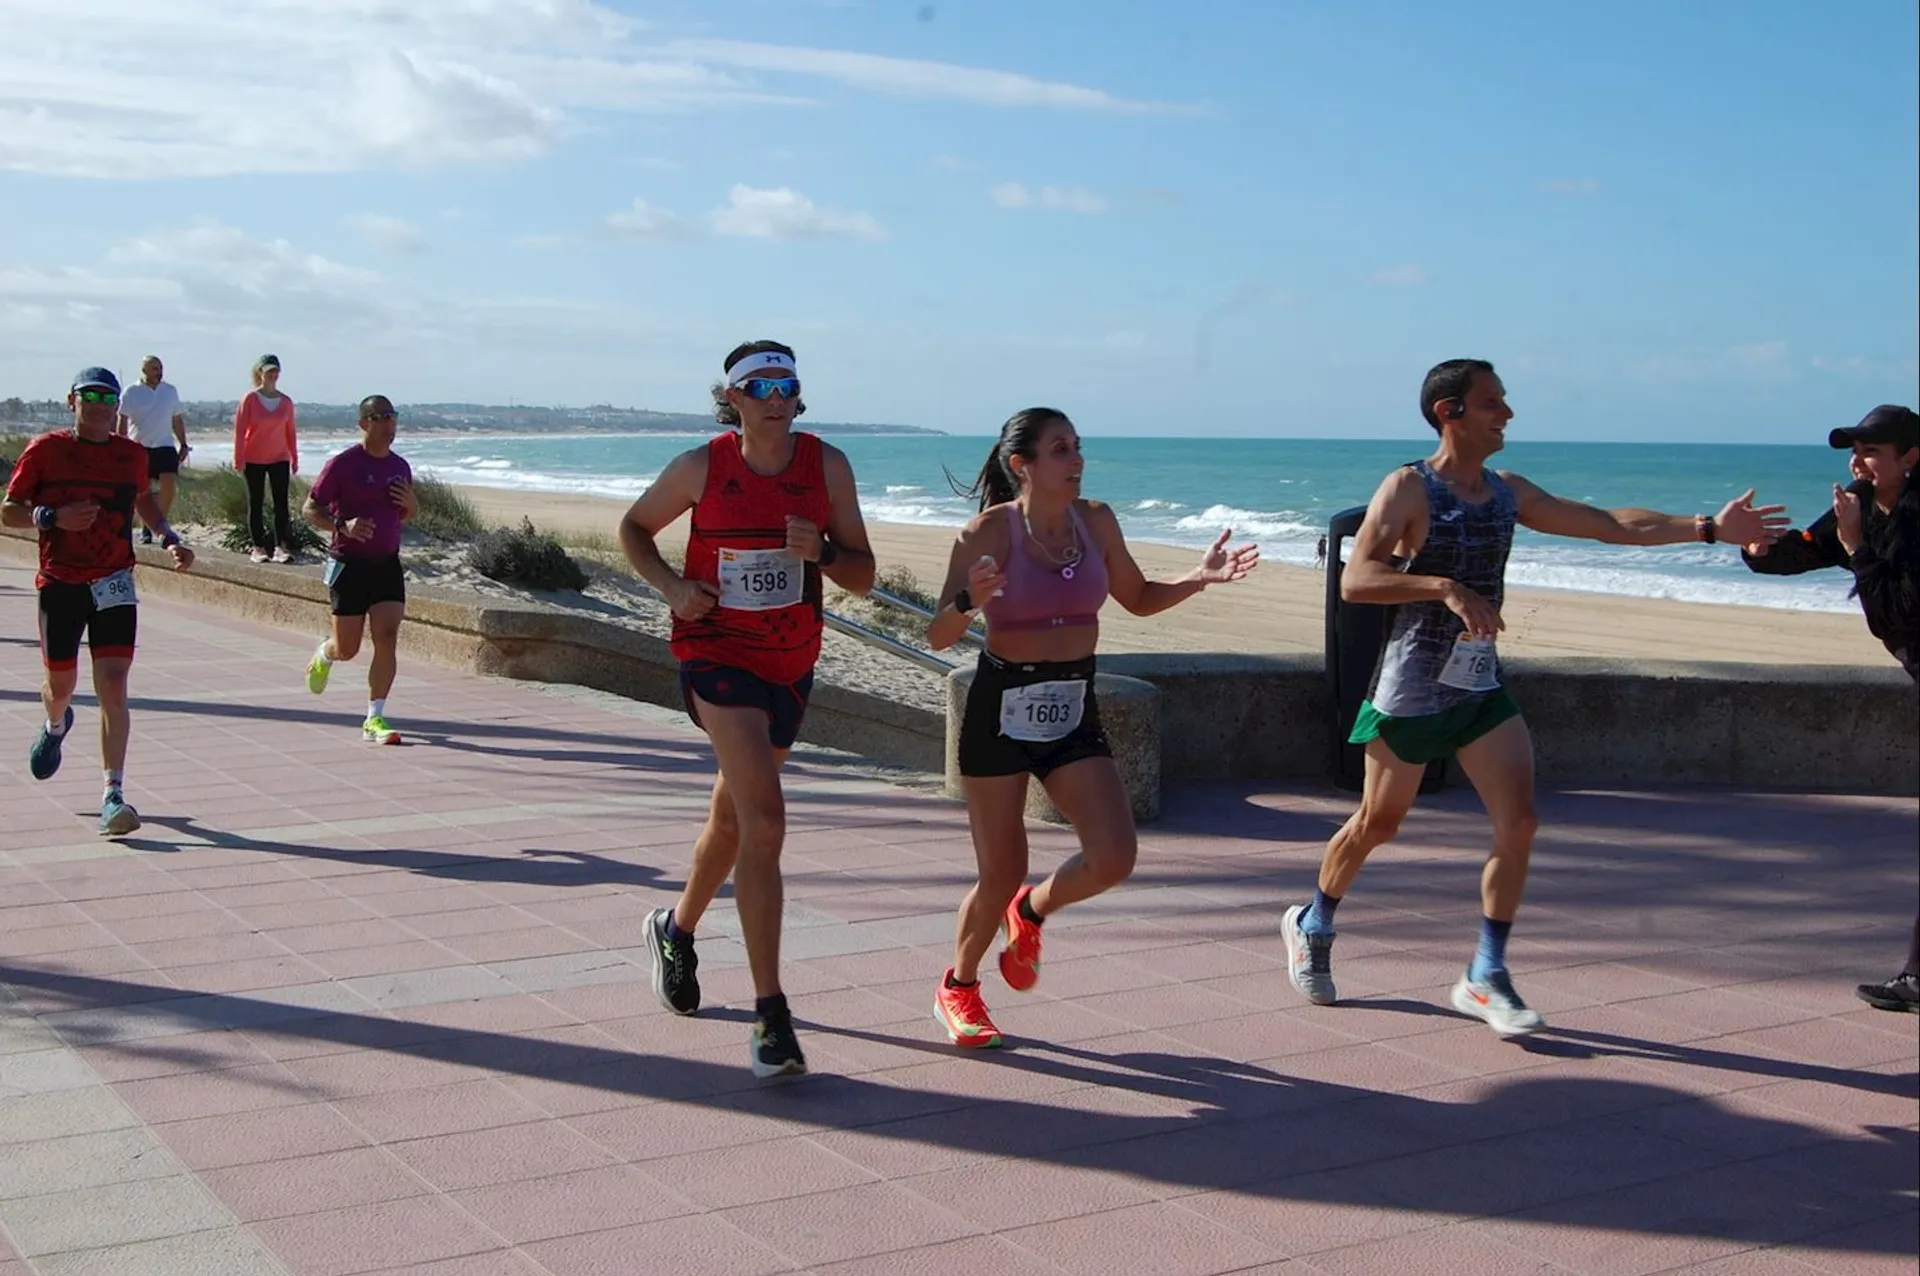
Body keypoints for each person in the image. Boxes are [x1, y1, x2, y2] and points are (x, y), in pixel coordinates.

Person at [1281, 358, 1789, 1037]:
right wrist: (1445, 588)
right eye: (1493, 402)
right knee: (1378, 824)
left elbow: (1609, 523)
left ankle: (1484, 975)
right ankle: (1313, 920)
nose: (1508, 413)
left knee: (1519, 823)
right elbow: (1358, 579)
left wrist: (1707, 528)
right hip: (1409, 690)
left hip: (1478, 683)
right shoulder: (1408, 487)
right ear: (1448, 413)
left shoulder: (1506, 490)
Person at [924, 409, 1259, 1048]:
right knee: (1000, 868)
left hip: (1073, 699)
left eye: (1077, 447)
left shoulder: (1097, 521)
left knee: (1113, 856)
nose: (1076, 460)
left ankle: (1032, 909)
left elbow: (1136, 597)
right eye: (1059, 450)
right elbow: (938, 636)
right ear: (1021, 464)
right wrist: (970, 600)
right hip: (1001, 703)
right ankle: (959, 987)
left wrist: (1198, 578)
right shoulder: (985, 534)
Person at [620, 340, 876, 1078]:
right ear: (731, 398)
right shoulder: (702, 467)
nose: (774, 396)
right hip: (716, 656)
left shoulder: (827, 467)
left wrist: (822, 552)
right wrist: (673, 588)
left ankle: (675, 928)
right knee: (766, 821)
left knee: (733, 819)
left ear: (798, 397)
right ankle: (771, 1019)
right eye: (757, 385)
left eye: (786, 384)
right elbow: (634, 530)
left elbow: (861, 573)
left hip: (791, 664)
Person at [1743, 403, 1919, 1013]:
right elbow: (1807, 550)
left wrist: (1856, 546)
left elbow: (1895, 611)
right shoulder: (1866, 503)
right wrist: (1760, 549)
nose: (1858, 462)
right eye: (1855, 450)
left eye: (1872, 452)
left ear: (1912, 458)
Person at [3, 367, 195, 836]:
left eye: (107, 396)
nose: (99, 404)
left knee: (113, 685)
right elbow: (9, 510)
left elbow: (144, 501)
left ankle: (114, 794)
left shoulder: (130, 455)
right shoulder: (46, 450)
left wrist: (168, 536)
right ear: (72, 401)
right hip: (61, 583)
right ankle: (54, 724)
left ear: (118, 406)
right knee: (62, 686)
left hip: (114, 581)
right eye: (89, 395)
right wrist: (53, 517)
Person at [301, 395, 416, 746]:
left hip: (386, 564)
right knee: (348, 648)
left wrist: (413, 505)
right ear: (364, 423)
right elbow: (309, 509)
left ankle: (374, 716)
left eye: (393, 418)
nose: (389, 426)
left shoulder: (400, 467)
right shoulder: (342, 465)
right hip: (349, 564)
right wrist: (343, 524)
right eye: (381, 418)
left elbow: (404, 515)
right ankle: (326, 652)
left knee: (387, 636)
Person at [116, 355, 190, 544]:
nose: (158, 371)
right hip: (139, 446)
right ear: (144, 371)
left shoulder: (170, 391)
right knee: (142, 490)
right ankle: (146, 527)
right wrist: (120, 444)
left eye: (159, 367)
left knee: (169, 487)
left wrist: (183, 443)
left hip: (165, 445)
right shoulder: (132, 391)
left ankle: (157, 523)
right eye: (154, 368)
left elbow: (176, 419)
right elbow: (122, 419)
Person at [233, 353, 299, 563]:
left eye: (276, 371)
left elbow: (290, 431)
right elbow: (240, 430)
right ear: (260, 372)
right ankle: (258, 547)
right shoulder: (250, 399)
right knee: (256, 502)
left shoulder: (286, 402)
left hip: (279, 457)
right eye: (269, 371)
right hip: (254, 458)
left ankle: (281, 547)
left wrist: (294, 457)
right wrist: (238, 458)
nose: (273, 375)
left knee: (281, 503)